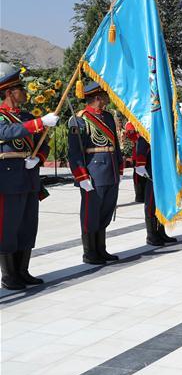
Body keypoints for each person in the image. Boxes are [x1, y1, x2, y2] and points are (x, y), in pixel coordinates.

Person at [0, 62, 55, 289]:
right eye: (21, 89)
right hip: (8, 180)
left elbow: (44, 143)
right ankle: (9, 276)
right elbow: (7, 132)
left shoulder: (26, 115)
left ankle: (23, 271)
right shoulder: (2, 117)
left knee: (27, 226)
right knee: (7, 228)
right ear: (10, 92)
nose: (25, 93)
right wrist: (39, 122)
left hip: (29, 178)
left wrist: (39, 158)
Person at [68, 81, 125, 265]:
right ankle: (89, 252)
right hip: (93, 173)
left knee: (106, 211)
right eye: (106, 95)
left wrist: (120, 167)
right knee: (90, 214)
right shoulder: (79, 119)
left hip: (110, 171)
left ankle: (101, 249)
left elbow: (115, 145)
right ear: (98, 98)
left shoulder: (108, 117)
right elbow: (74, 152)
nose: (109, 98)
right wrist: (81, 176)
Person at [132, 132, 173, 247]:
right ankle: (151, 235)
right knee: (151, 203)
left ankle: (161, 231)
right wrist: (140, 163)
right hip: (152, 168)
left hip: (164, 167)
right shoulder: (148, 127)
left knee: (163, 203)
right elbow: (141, 144)